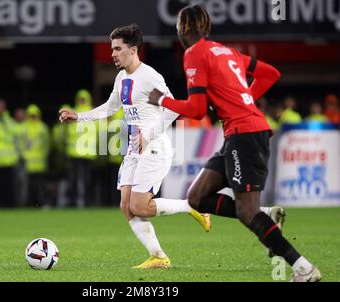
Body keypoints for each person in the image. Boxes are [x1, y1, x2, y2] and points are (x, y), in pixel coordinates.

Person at [148, 5, 321, 282]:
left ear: (182, 29)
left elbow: (197, 109)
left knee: (246, 211)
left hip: (246, 135)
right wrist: (244, 100)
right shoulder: (227, 51)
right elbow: (270, 74)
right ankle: (267, 215)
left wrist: (161, 100)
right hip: (239, 134)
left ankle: (304, 268)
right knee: (196, 197)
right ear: (206, 27)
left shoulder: (194, 53)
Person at [59, 24, 211, 269]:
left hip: (153, 146)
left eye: (118, 49)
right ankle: (159, 256)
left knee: (140, 206)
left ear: (133, 49)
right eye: (112, 49)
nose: (113, 54)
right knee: (126, 206)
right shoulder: (121, 77)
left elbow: (173, 108)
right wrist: (79, 116)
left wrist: (148, 135)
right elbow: (110, 108)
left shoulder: (150, 76)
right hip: (134, 148)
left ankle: (193, 206)